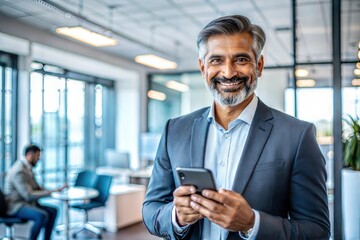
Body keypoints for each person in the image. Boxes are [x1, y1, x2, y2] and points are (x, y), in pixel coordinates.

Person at [142, 15, 330, 240]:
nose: (229, 72)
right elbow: (151, 209)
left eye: (241, 59)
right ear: (203, 68)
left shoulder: (297, 136)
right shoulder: (176, 130)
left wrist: (252, 223)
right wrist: (177, 215)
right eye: (216, 60)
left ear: (258, 65)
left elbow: (316, 231)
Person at [4, 144, 67, 240]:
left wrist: (56, 190)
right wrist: (51, 193)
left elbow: (37, 188)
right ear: (30, 155)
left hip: (27, 203)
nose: (39, 159)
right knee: (41, 216)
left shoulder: (27, 168)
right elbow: (28, 195)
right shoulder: (19, 171)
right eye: (37, 156)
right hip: (16, 205)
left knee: (53, 211)